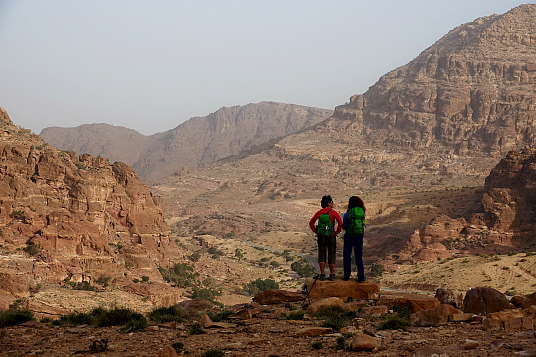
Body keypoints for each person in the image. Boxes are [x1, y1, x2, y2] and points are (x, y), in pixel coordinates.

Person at [309, 195, 342, 281]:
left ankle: (322, 274)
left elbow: (311, 222)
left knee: (322, 255)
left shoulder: (319, 213)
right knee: (331, 255)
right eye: (331, 202)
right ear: (328, 203)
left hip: (321, 236)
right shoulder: (333, 212)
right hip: (330, 236)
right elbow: (340, 222)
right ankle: (331, 274)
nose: (333, 203)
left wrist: (315, 231)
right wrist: (336, 232)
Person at [342, 196, 367, 282]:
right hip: (359, 236)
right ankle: (361, 276)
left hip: (348, 235)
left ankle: (346, 276)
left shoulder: (347, 214)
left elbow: (344, 227)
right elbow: (363, 224)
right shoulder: (362, 213)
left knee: (347, 256)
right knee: (358, 256)